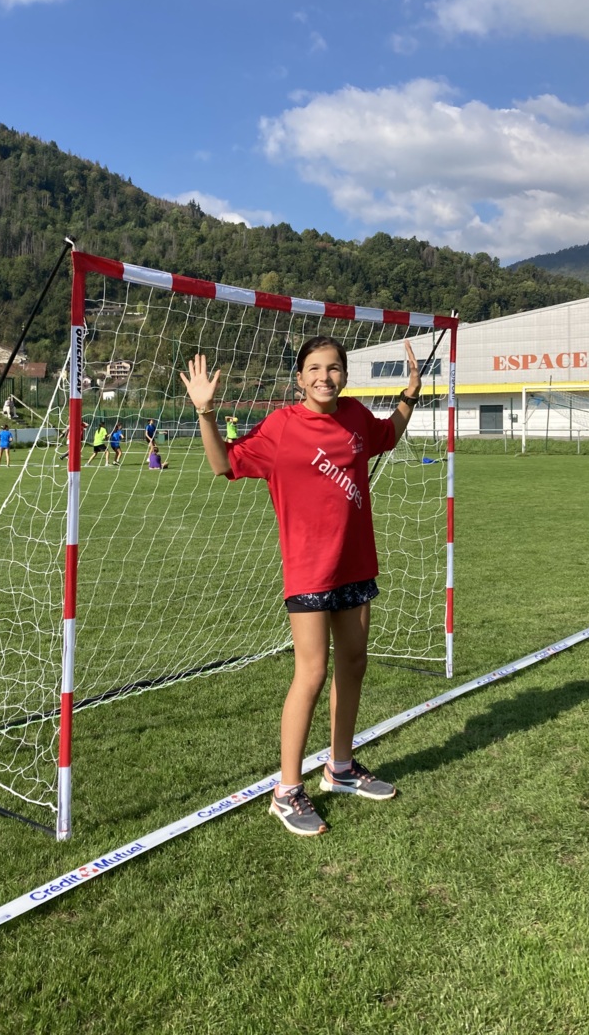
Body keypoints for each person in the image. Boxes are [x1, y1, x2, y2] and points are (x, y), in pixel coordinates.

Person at [180, 335, 421, 838]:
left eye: (333, 368)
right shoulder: (281, 427)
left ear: (345, 375)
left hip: (356, 565)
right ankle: (287, 791)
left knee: (354, 662)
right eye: (314, 368)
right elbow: (223, 464)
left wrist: (409, 397)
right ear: (299, 378)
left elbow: (387, 436)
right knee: (311, 672)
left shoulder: (355, 417)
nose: (324, 377)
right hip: (310, 570)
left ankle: (341, 768)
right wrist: (205, 412)